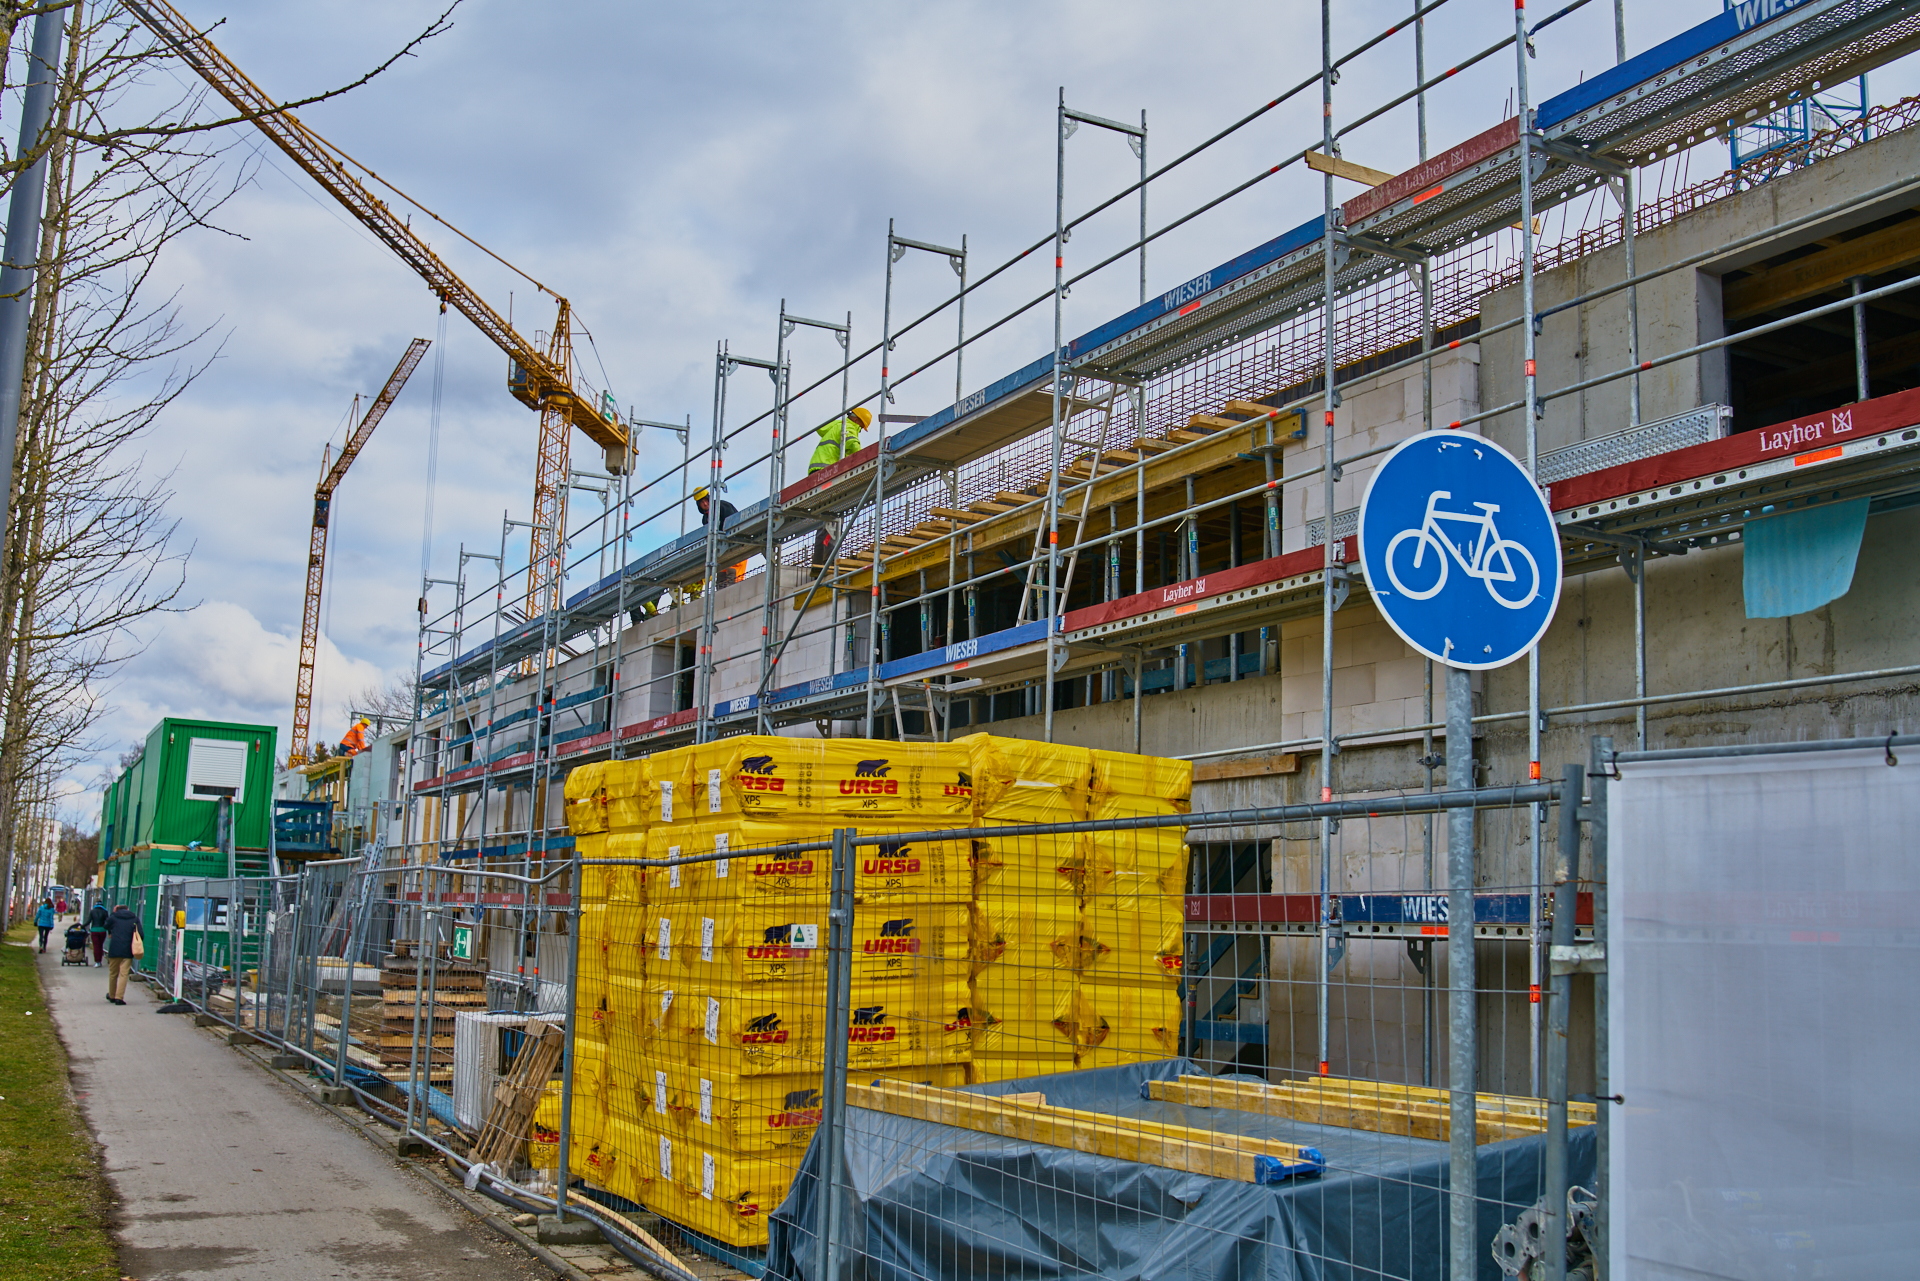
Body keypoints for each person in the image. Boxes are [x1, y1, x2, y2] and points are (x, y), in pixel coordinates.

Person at [808, 407, 868, 570]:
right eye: (861, 427)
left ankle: (817, 564)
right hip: (828, 472)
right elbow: (853, 446)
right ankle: (829, 562)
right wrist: (866, 460)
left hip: (817, 472)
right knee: (835, 516)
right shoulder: (848, 426)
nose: (860, 431)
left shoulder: (836, 425)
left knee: (826, 518)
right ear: (857, 420)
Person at [103, 903, 143, 1005]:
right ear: (128, 909)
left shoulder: (114, 917)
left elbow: (105, 925)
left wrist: (113, 913)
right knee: (123, 974)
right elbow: (141, 934)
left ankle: (112, 995)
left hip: (115, 949)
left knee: (113, 974)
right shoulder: (134, 919)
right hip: (128, 950)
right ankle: (119, 998)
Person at [86, 898, 110, 966]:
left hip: (94, 931)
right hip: (102, 931)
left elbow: (88, 921)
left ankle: (97, 961)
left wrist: (81, 926)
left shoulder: (92, 911)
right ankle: (100, 960)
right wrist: (109, 932)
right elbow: (108, 922)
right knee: (100, 946)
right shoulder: (105, 911)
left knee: (96, 946)